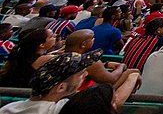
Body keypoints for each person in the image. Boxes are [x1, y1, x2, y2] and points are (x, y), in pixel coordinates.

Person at [0, 51, 131, 114]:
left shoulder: (8, 108)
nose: (86, 75)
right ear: (61, 87)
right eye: (80, 75)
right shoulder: (63, 108)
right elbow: (114, 100)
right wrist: (132, 76)